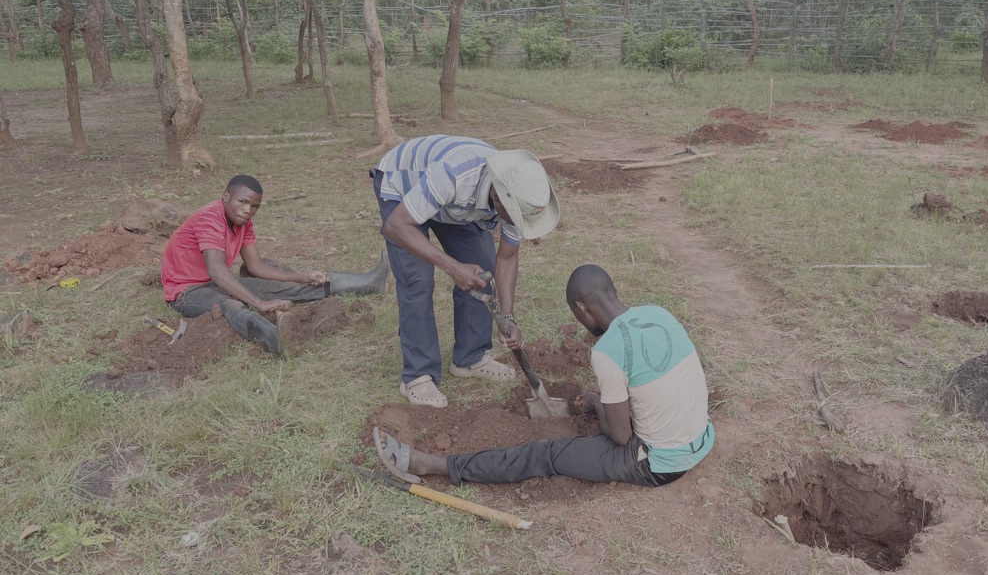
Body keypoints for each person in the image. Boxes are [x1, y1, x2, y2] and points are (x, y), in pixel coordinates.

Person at [373, 264, 714, 488]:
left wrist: (596, 403)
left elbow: (622, 437)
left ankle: (434, 464)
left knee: (544, 454)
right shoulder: (657, 314)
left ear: (582, 308)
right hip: (700, 438)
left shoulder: (608, 351)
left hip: (658, 463)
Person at [370, 135, 560, 408]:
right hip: (403, 187)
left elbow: (506, 259)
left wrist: (508, 317)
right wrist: (453, 267)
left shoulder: (518, 196)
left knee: (481, 269)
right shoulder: (455, 175)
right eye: (516, 218)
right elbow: (396, 226)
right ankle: (418, 375)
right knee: (418, 279)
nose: (520, 224)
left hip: (453, 204)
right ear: (498, 198)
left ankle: (470, 358)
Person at [161, 174, 388, 355]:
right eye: (242, 202)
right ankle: (276, 340)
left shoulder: (243, 222)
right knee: (230, 305)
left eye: (254, 206)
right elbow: (216, 269)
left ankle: (368, 284)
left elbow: (256, 266)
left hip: (216, 283)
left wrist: (301, 277)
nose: (248, 210)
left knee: (279, 287)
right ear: (226, 196)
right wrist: (259, 303)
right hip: (186, 292)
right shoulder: (210, 218)